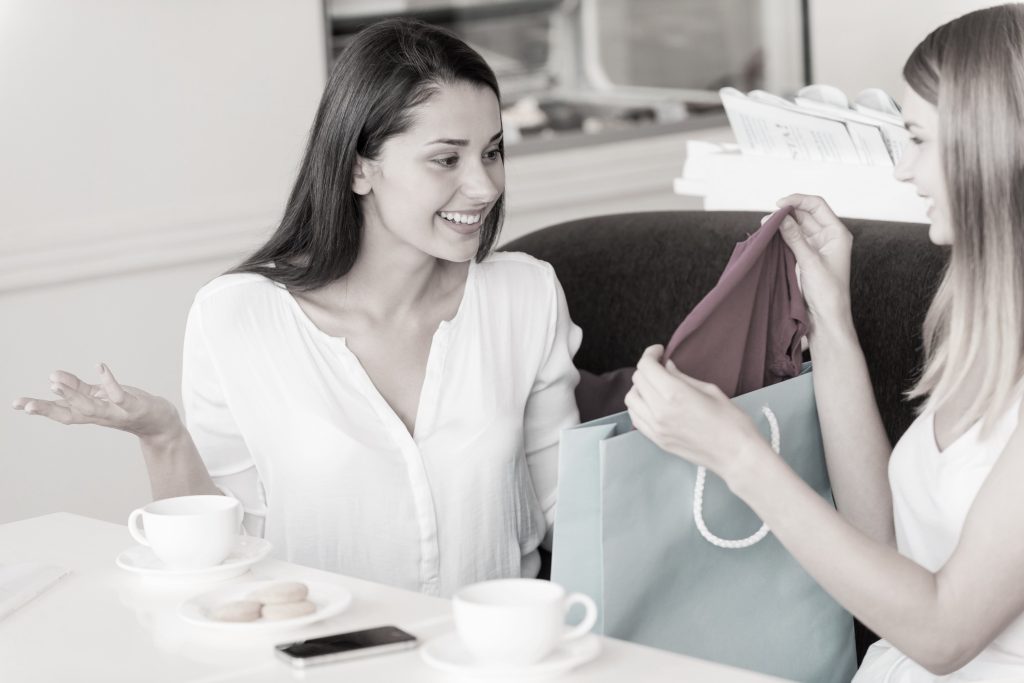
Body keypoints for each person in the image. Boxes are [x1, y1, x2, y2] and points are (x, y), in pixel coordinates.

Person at [12, 18, 581, 598]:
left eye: (492, 152)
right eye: (446, 159)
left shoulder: (525, 298)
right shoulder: (237, 318)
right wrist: (161, 436)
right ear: (360, 166)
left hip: (495, 656)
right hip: (318, 652)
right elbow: (226, 555)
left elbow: (573, 514)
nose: (485, 186)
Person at [625, 4, 1024, 680]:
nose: (906, 171)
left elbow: (944, 628)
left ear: (990, 146)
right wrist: (830, 317)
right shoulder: (983, 326)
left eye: (919, 140)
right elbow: (884, 553)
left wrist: (734, 451)